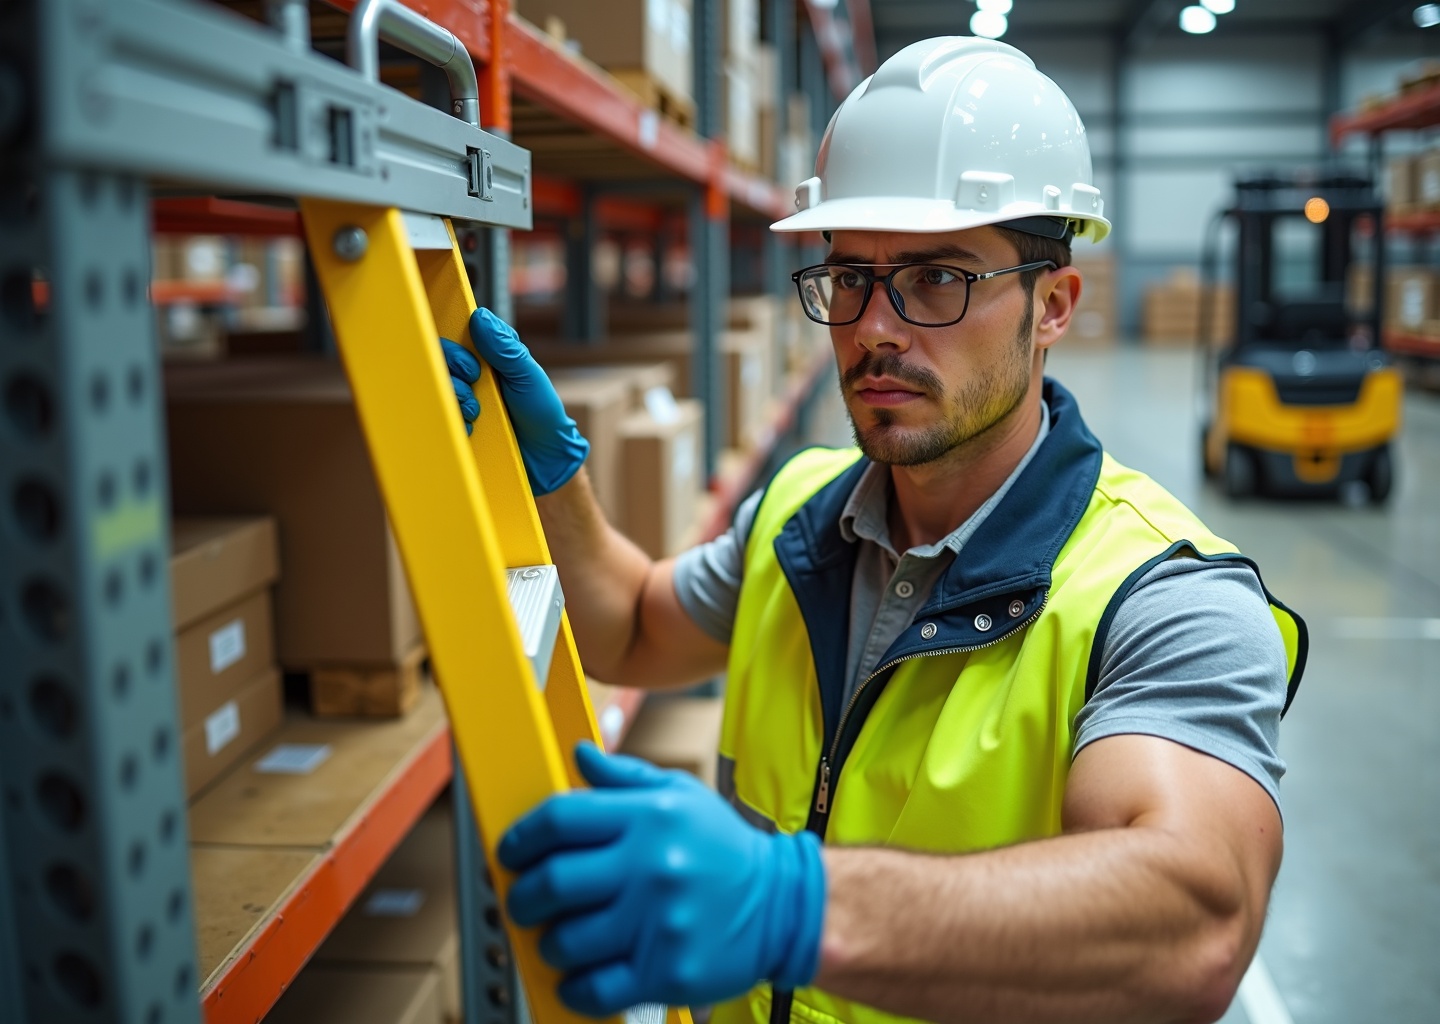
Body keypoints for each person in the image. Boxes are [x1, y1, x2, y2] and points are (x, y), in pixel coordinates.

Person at [440, 37, 1305, 1024]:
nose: (876, 327)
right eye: (850, 276)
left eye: (936, 277)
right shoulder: (800, 515)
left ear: (1052, 305)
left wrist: (793, 903)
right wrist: (547, 483)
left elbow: (1194, 926)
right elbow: (632, 628)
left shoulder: (1160, 594)